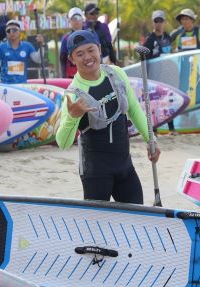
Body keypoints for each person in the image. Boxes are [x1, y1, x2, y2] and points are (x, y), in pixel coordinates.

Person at [54, 30, 159, 203]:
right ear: (71, 59)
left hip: (125, 168)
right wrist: (73, 116)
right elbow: (62, 143)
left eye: (90, 50)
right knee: (97, 229)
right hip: (96, 174)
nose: (87, 57)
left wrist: (150, 139)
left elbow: (133, 109)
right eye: (79, 54)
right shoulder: (74, 94)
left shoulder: (116, 74)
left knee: (136, 222)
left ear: (100, 49)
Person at [0, 19, 43, 84]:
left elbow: (38, 59)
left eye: (14, 30)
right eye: (8, 31)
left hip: (22, 87)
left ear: (20, 32)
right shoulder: (0, 47)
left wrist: (41, 45)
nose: (11, 32)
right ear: (6, 33)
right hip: (6, 87)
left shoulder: (27, 46)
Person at [59, 7, 86, 76]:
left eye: (78, 17)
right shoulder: (66, 38)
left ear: (83, 19)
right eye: (73, 18)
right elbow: (62, 59)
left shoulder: (90, 35)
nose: (76, 21)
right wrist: (63, 76)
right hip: (72, 75)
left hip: (88, 73)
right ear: (69, 21)